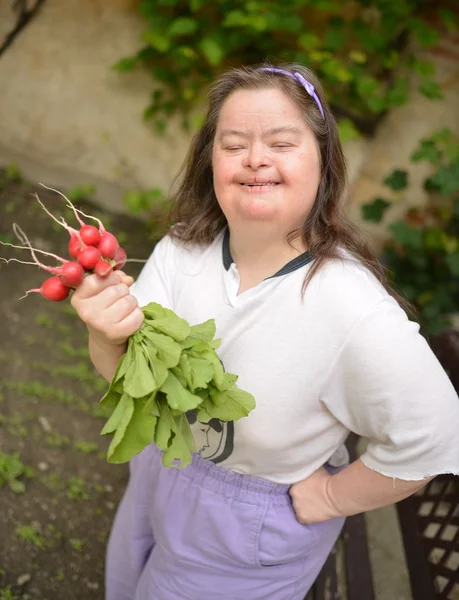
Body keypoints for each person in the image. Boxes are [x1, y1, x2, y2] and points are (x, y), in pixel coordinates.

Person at [71, 63, 459, 600]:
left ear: (324, 162)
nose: (255, 158)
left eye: (281, 142)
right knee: (130, 577)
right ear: (211, 161)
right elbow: (139, 381)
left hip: (248, 524)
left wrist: (331, 497)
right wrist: (104, 336)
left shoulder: (350, 307)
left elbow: (434, 436)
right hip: (161, 468)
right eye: (233, 145)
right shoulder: (183, 250)